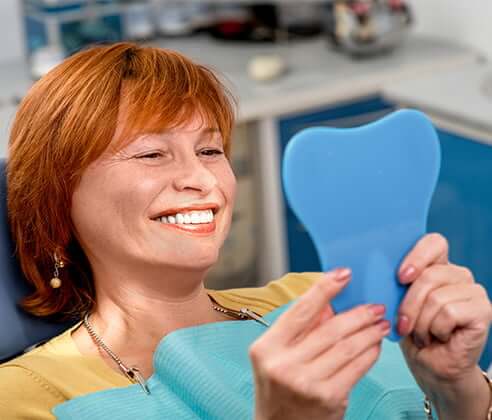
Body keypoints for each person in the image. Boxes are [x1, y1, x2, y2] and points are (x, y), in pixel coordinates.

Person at [0, 42, 490, 420]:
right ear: (57, 201)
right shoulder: (27, 396)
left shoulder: (316, 299)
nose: (203, 179)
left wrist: (457, 389)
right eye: (152, 153)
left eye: (210, 151)